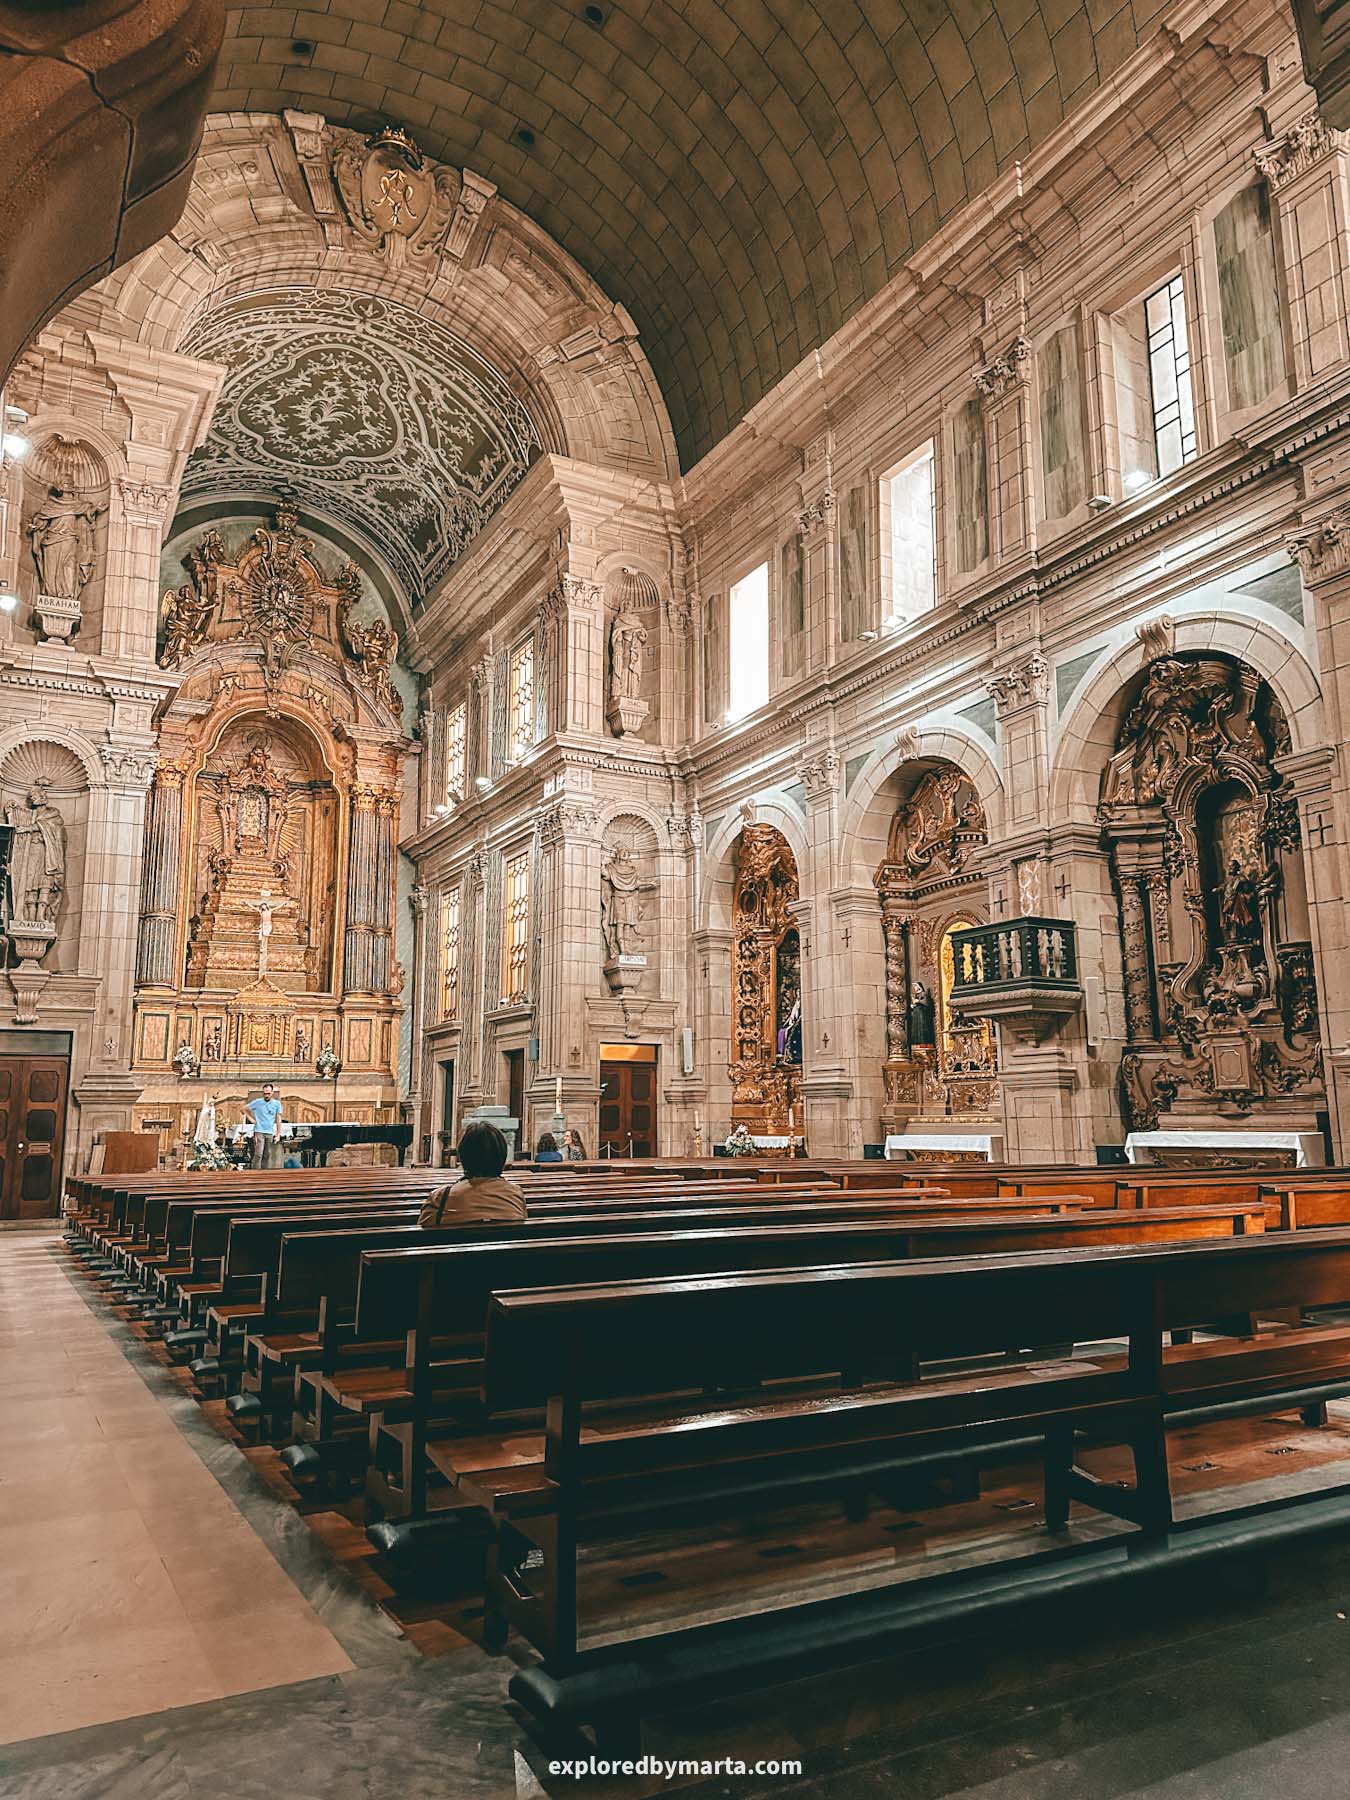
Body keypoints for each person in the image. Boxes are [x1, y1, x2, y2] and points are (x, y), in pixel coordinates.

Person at [420, 1121, 526, 1227]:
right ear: (502, 1156)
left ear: (463, 1156)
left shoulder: (441, 1198)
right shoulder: (515, 1194)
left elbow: (421, 1235)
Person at [246, 1082, 284, 1169]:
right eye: (265, 1093)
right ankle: (255, 1173)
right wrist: (251, 1119)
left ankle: (264, 1173)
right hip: (259, 1130)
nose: (266, 1095)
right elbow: (243, 1109)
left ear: (272, 1093)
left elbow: (278, 1119)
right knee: (258, 1153)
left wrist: (278, 1134)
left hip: (269, 1131)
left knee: (267, 1154)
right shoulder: (258, 1102)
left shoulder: (277, 1104)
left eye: (268, 1093)